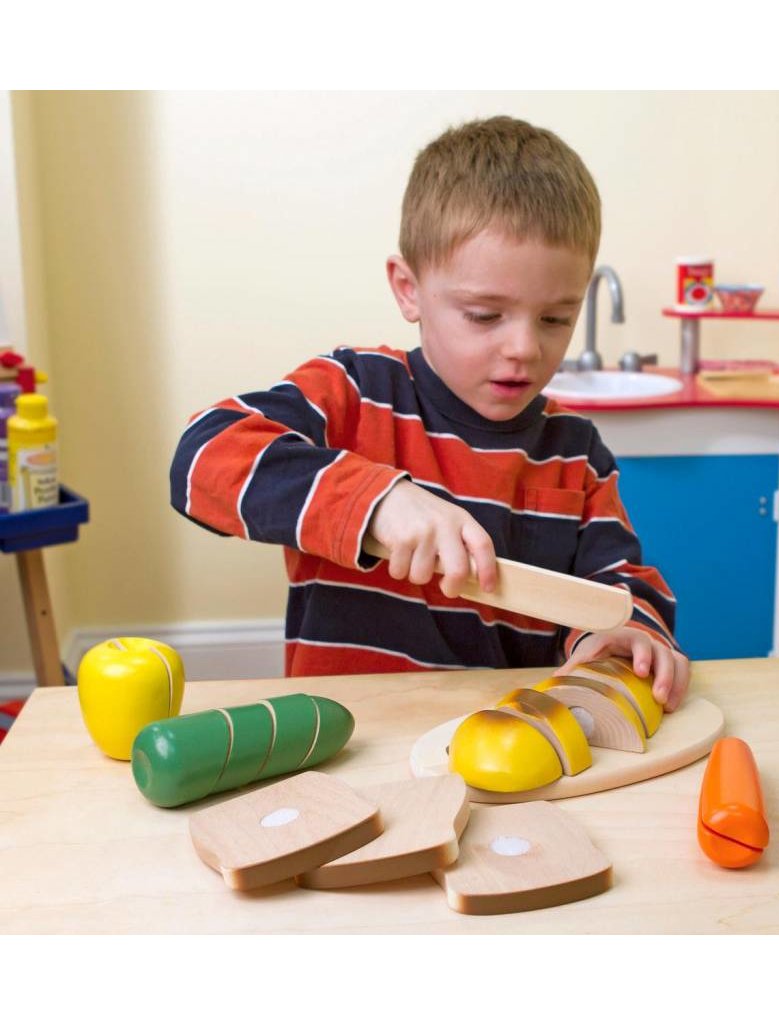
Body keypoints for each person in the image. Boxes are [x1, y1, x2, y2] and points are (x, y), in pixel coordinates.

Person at [170, 115, 690, 711]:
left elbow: (621, 584)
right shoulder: (354, 391)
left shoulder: (576, 453)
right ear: (408, 288)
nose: (525, 347)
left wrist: (630, 635)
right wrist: (376, 503)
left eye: (555, 318)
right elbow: (201, 459)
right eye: (484, 315)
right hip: (346, 739)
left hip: (504, 747)